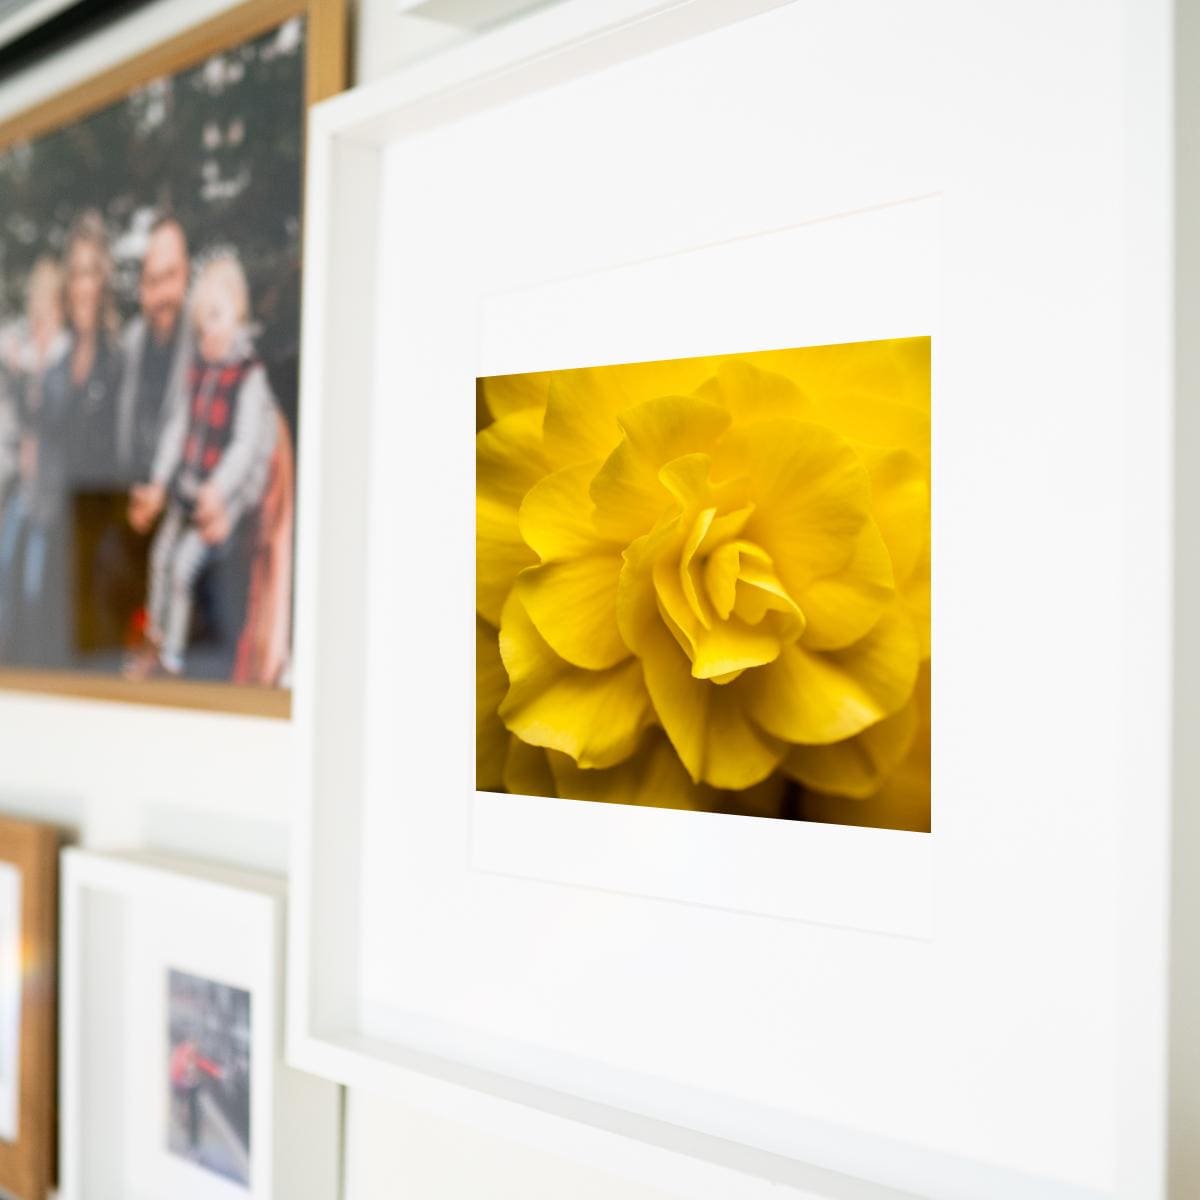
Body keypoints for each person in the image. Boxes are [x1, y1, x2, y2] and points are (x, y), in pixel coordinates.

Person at [129, 251, 276, 676]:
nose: (206, 331)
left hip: (215, 504)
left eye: (214, 316)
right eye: (199, 324)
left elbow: (247, 446)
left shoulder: (249, 376)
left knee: (182, 568)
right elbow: (178, 428)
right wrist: (159, 479)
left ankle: (172, 653)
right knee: (160, 558)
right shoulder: (197, 370)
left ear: (237, 311)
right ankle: (154, 638)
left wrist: (222, 490)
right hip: (184, 493)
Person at [28, 212, 123, 665]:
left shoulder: (118, 358)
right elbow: (43, 430)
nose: (84, 285)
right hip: (55, 528)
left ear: (104, 280)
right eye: (76, 274)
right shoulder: (59, 361)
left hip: (98, 541)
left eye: (92, 272)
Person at [115, 215, 192, 485]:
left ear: (186, 273)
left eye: (169, 276)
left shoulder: (206, 341)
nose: (161, 294)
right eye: (152, 280)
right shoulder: (130, 343)